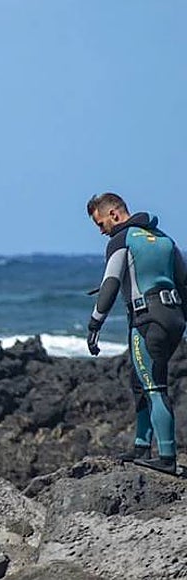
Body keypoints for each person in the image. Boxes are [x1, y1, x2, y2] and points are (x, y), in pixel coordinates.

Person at [86, 193, 187, 474]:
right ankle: (141, 446)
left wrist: (95, 323)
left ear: (114, 214)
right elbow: (184, 282)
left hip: (147, 319)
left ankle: (166, 457)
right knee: (140, 379)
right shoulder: (165, 239)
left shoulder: (122, 239)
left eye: (100, 223)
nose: (101, 230)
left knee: (154, 386)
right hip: (174, 318)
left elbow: (110, 283)